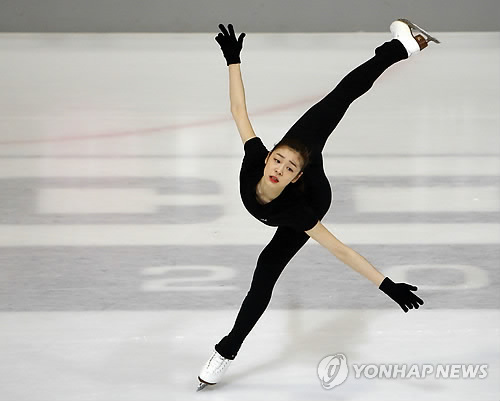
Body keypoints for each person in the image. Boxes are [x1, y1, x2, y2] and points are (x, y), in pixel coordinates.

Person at [196, 19, 439, 391]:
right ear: (267, 158)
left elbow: (339, 249)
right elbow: (238, 112)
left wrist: (387, 286)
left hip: (316, 196)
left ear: (295, 175)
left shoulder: (298, 209)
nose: (279, 168)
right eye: (277, 160)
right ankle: (405, 47)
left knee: (337, 99)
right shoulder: (257, 159)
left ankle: (400, 48)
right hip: (301, 157)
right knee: (263, 281)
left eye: (288, 167)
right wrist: (233, 59)